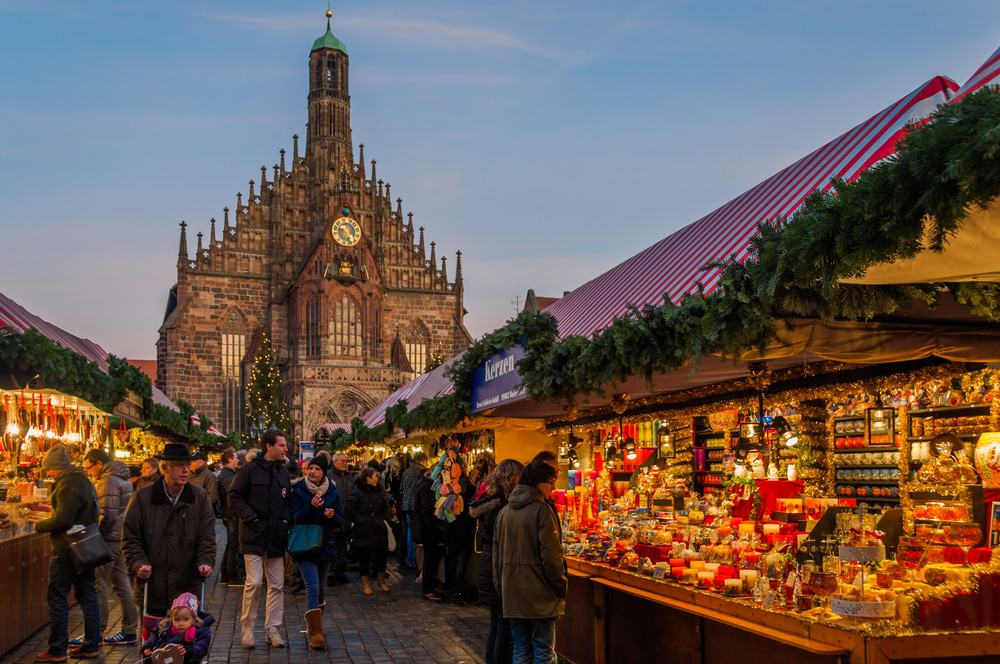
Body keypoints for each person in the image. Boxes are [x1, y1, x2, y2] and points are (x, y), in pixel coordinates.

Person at [122, 443, 216, 622]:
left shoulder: (199, 497)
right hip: (154, 582)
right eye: (179, 466)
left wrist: (205, 561)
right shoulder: (143, 497)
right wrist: (138, 563)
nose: (185, 470)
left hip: (187, 583)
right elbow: (130, 537)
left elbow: (207, 536)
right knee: (152, 642)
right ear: (165, 468)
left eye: (187, 466)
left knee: (184, 643)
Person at [31, 444, 102, 662]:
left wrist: (39, 525)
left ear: (57, 467)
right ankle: (91, 645)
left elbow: (63, 520)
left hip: (67, 549)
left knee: (58, 597)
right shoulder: (82, 480)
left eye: (49, 469)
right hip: (86, 547)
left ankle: (57, 650)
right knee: (87, 595)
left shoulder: (67, 485)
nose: (48, 473)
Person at [493, 461, 566, 664]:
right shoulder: (542, 511)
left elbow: (496, 558)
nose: (553, 488)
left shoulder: (504, 512)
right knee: (543, 650)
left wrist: (501, 587)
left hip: (512, 593)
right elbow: (552, 558)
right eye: (551, 482)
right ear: (539, 483)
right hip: (540, 594)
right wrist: (560, 586)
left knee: (521, 647)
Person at [228, 429, 291, 649]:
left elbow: (287, 501)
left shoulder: (283, 473)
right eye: (282, 445)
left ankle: (272, 628)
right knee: (254, 582)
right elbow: (234, 497)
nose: (286, 448)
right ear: (269, 446)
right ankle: (248, 626)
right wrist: (251, 517)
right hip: (253, 535)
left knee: (277, 585)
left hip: (275, 536)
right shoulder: (249, 470)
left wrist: (285, 520)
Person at [81, 448, 139, 647]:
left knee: (100, 586)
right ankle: (130, 630)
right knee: (122, 584)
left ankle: (95, 633)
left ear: (98, 463)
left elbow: (107, 514)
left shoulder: (108, 480)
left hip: (108, 539)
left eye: (89, 467)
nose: (89, 472)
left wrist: (97, 535)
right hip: (120, 537)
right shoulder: (121, 477)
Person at [470, 459, 523, 664]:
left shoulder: (488, 500)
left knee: (497, 624)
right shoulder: (501, 505)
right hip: (497, 567)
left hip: (489, 564)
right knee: (504, 627)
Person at [287, 455, 342, 649]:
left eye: (317, 469)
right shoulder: (299, 490)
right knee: (312, 586)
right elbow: (293, 517)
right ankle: (317, 633)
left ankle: (314, 625)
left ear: (323, 472)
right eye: (310, 468)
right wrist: (310, 508)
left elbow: (340, 521)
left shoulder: (333, 493)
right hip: (304, 546)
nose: (312, 472)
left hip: (324, 545)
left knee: (321, 590)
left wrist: (332, 516)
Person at [346, 466, 391, 596]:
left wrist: (383, 519)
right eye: (375, 475)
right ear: (368, 478)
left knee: (381, 554)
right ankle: (365, 584)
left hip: (378, 527)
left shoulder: (379, 490)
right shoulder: (357, 491)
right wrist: (361, 520)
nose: (377, 477)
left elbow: (384, 507)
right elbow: (350, 509)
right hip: (363, 529)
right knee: (364, 556)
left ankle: (380, 581)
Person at [140, 592, 213, 664]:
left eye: (186, 619)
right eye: (177, 619)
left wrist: (187, 651)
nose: (181, 623)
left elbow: (201, 649)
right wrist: (148, 647)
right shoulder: (164, 628)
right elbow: (153, 637)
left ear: (193, 619)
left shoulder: (200, 632)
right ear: (172, 619)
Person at [412, 464, 445, 601]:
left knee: (432, 558)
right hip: (428, 528)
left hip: (429, 527)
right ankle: (428, 590)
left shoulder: (427, 483)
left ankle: (431, 587)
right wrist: (435, 528)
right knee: (430, 559)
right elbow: (427, 510)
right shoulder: (427, 486)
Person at [215, 449, 243, 586]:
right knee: (233, 544)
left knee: (231, 544)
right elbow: (233, 491)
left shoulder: (229, 473)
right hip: (231, 514)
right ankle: (231, 575)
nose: (238, 459)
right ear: (230, 459)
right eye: (236, 457)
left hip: (230, 513)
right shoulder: (227, 475)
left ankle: (225, 574)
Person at [327, 453, 353, 585]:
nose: (345, 463)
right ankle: (332, 573)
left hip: (346, 517)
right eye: (342, 461)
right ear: (335, 462)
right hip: (332, 517)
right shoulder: (329, 476)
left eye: (346, 461)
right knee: (332, 545)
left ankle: (340, 573)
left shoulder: (349, 477)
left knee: (343, 546)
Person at [399, 452, 426, 569]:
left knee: (410, 532)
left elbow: (401, 489)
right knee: (418, 534)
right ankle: (417, 561)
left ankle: (410, 559)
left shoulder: (406, 471)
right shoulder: (424, 472)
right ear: (424, 461)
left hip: (406, 506)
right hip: (417, 506)